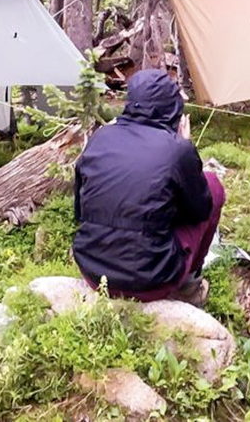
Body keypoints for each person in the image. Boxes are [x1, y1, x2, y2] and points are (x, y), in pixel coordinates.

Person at [72, 69, 225, 308]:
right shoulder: (177, 150)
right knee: (213, 186)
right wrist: (186, 148)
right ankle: (189, 287)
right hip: (152, 281)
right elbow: (199, 211)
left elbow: (80, 212)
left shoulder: (99, 138)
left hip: (92, 272)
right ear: (173, 107)